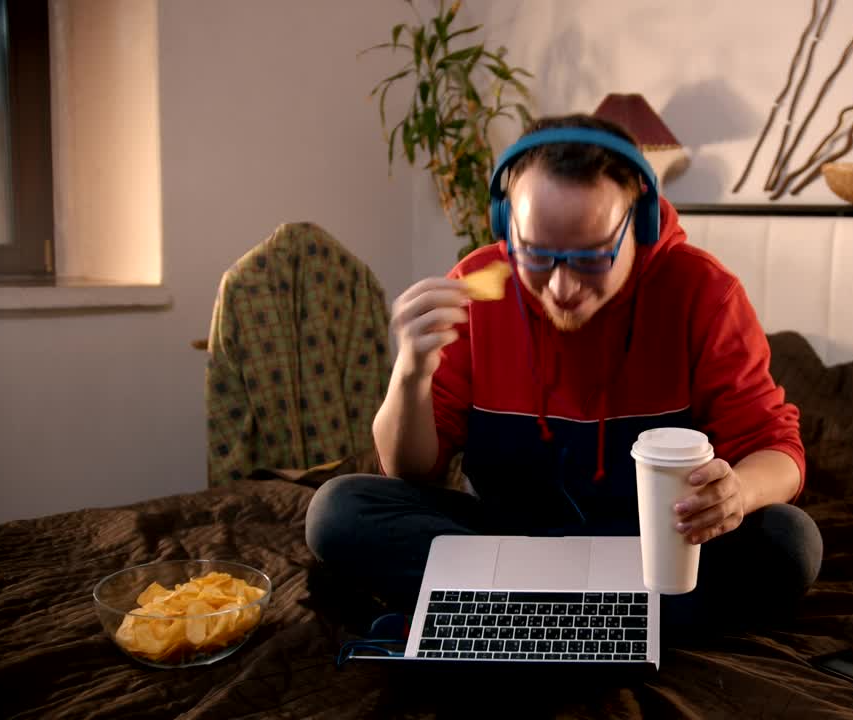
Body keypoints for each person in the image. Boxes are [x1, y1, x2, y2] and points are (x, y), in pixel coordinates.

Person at [305, 114, 822, 637]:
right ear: (507, 224)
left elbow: (779, 451)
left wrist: (739, 491)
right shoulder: (475, 288)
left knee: (788, 540)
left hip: (655, 551)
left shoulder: (705, 295)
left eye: (592, 257)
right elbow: (410, 471)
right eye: (536, 254)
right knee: (338, 511)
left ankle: (510, 614)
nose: (562, 287)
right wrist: (411, 373)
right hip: (510, 541)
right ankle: (608, 619)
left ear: (639, 224)